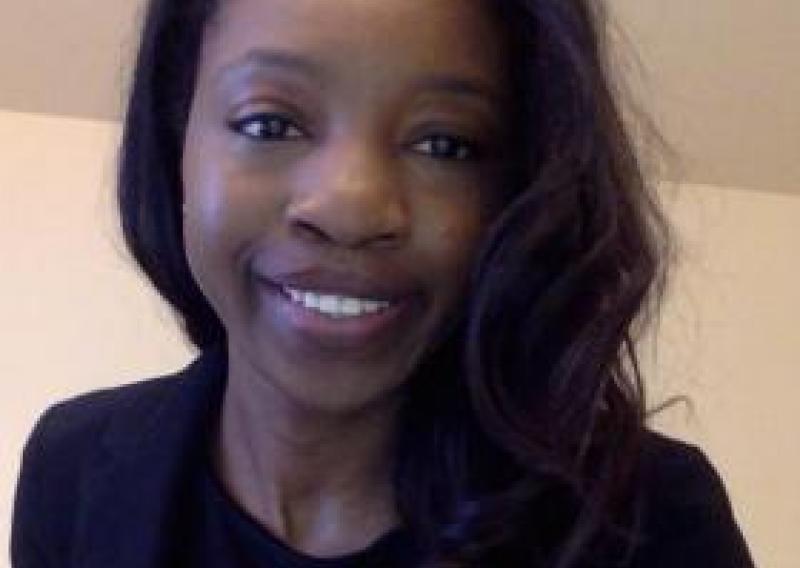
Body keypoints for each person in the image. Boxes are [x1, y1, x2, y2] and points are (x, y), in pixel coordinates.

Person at [11, 0, 756, 566]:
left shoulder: (653, 519)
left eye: (444, 144)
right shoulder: (70, 469)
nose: (351, 208)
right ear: (178, 138)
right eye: (270, 124)